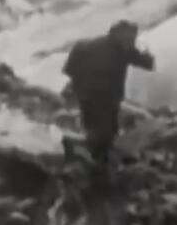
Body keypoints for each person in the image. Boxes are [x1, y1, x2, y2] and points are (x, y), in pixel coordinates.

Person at [62, 20, 155, 165]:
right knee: (106, 134)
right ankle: (87, 155)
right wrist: (145, 52)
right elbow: (149, 64)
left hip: (85, 96)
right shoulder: (123, 50)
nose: (132, 40)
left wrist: (78, 86)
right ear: (122, 35)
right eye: (131, 37)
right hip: (107, 98)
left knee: (93, 128)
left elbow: (68, 70)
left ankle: (84, 156)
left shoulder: (85, 45)